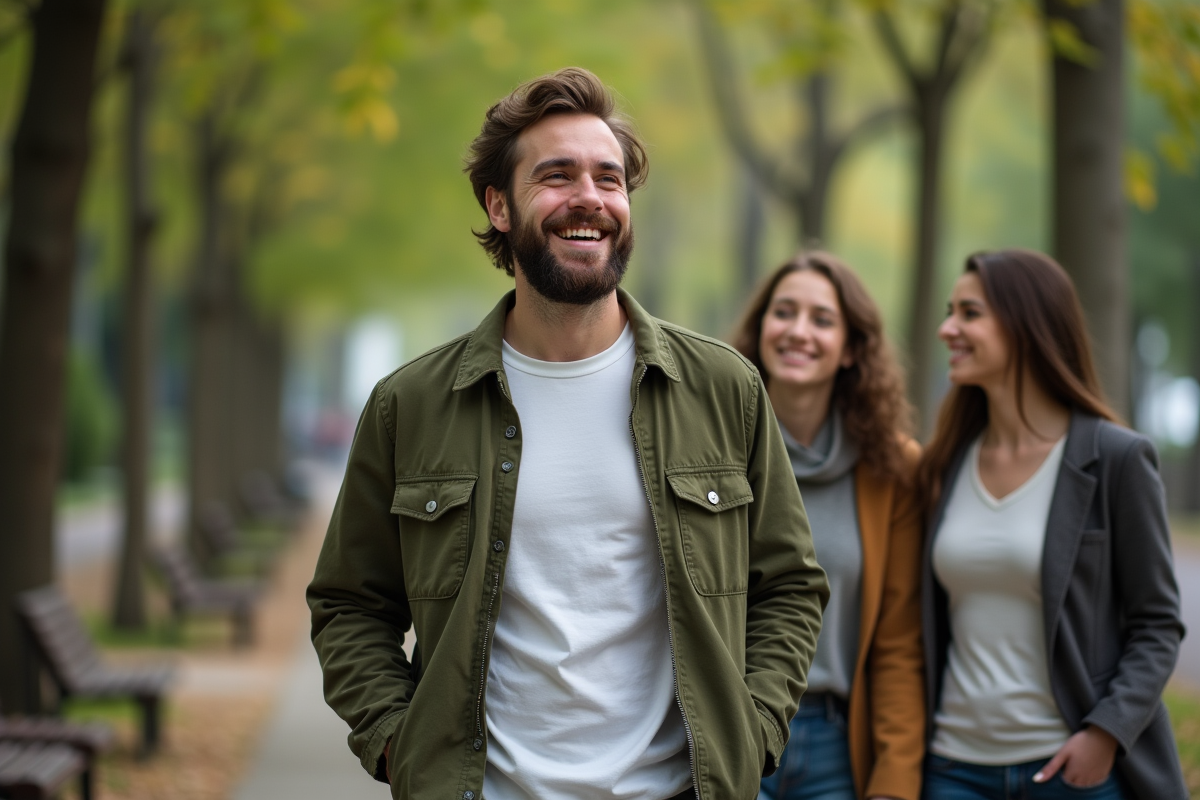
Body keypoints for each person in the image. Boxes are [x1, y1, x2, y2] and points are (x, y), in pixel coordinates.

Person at [306, 67, 829, 800]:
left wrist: (754, 730)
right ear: (499, 206)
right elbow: (349, 605)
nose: (590, 198)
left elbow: (789, 586)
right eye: (557, 176)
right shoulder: (412, 405)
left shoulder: (722, 388)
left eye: (609, 179)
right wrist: (401, 746)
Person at [918, 249, 1187, 800]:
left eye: (969, 313)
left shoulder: (1117, 458)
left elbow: (1157, 624)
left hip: (1070, 771)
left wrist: (1105, 733)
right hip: (952, 768)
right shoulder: (944, 462)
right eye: (950, 312)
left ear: (1026, 323)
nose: (948, 329)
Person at [733, 252, 925, 800]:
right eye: (784, 312)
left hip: (838, 744)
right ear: (760, 329)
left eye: (822, 320)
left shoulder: (892, 469)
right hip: (731, 731)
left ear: (851, 349)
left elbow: (897, 643)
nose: (798, 332)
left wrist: (894, 779)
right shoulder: (712, 451)